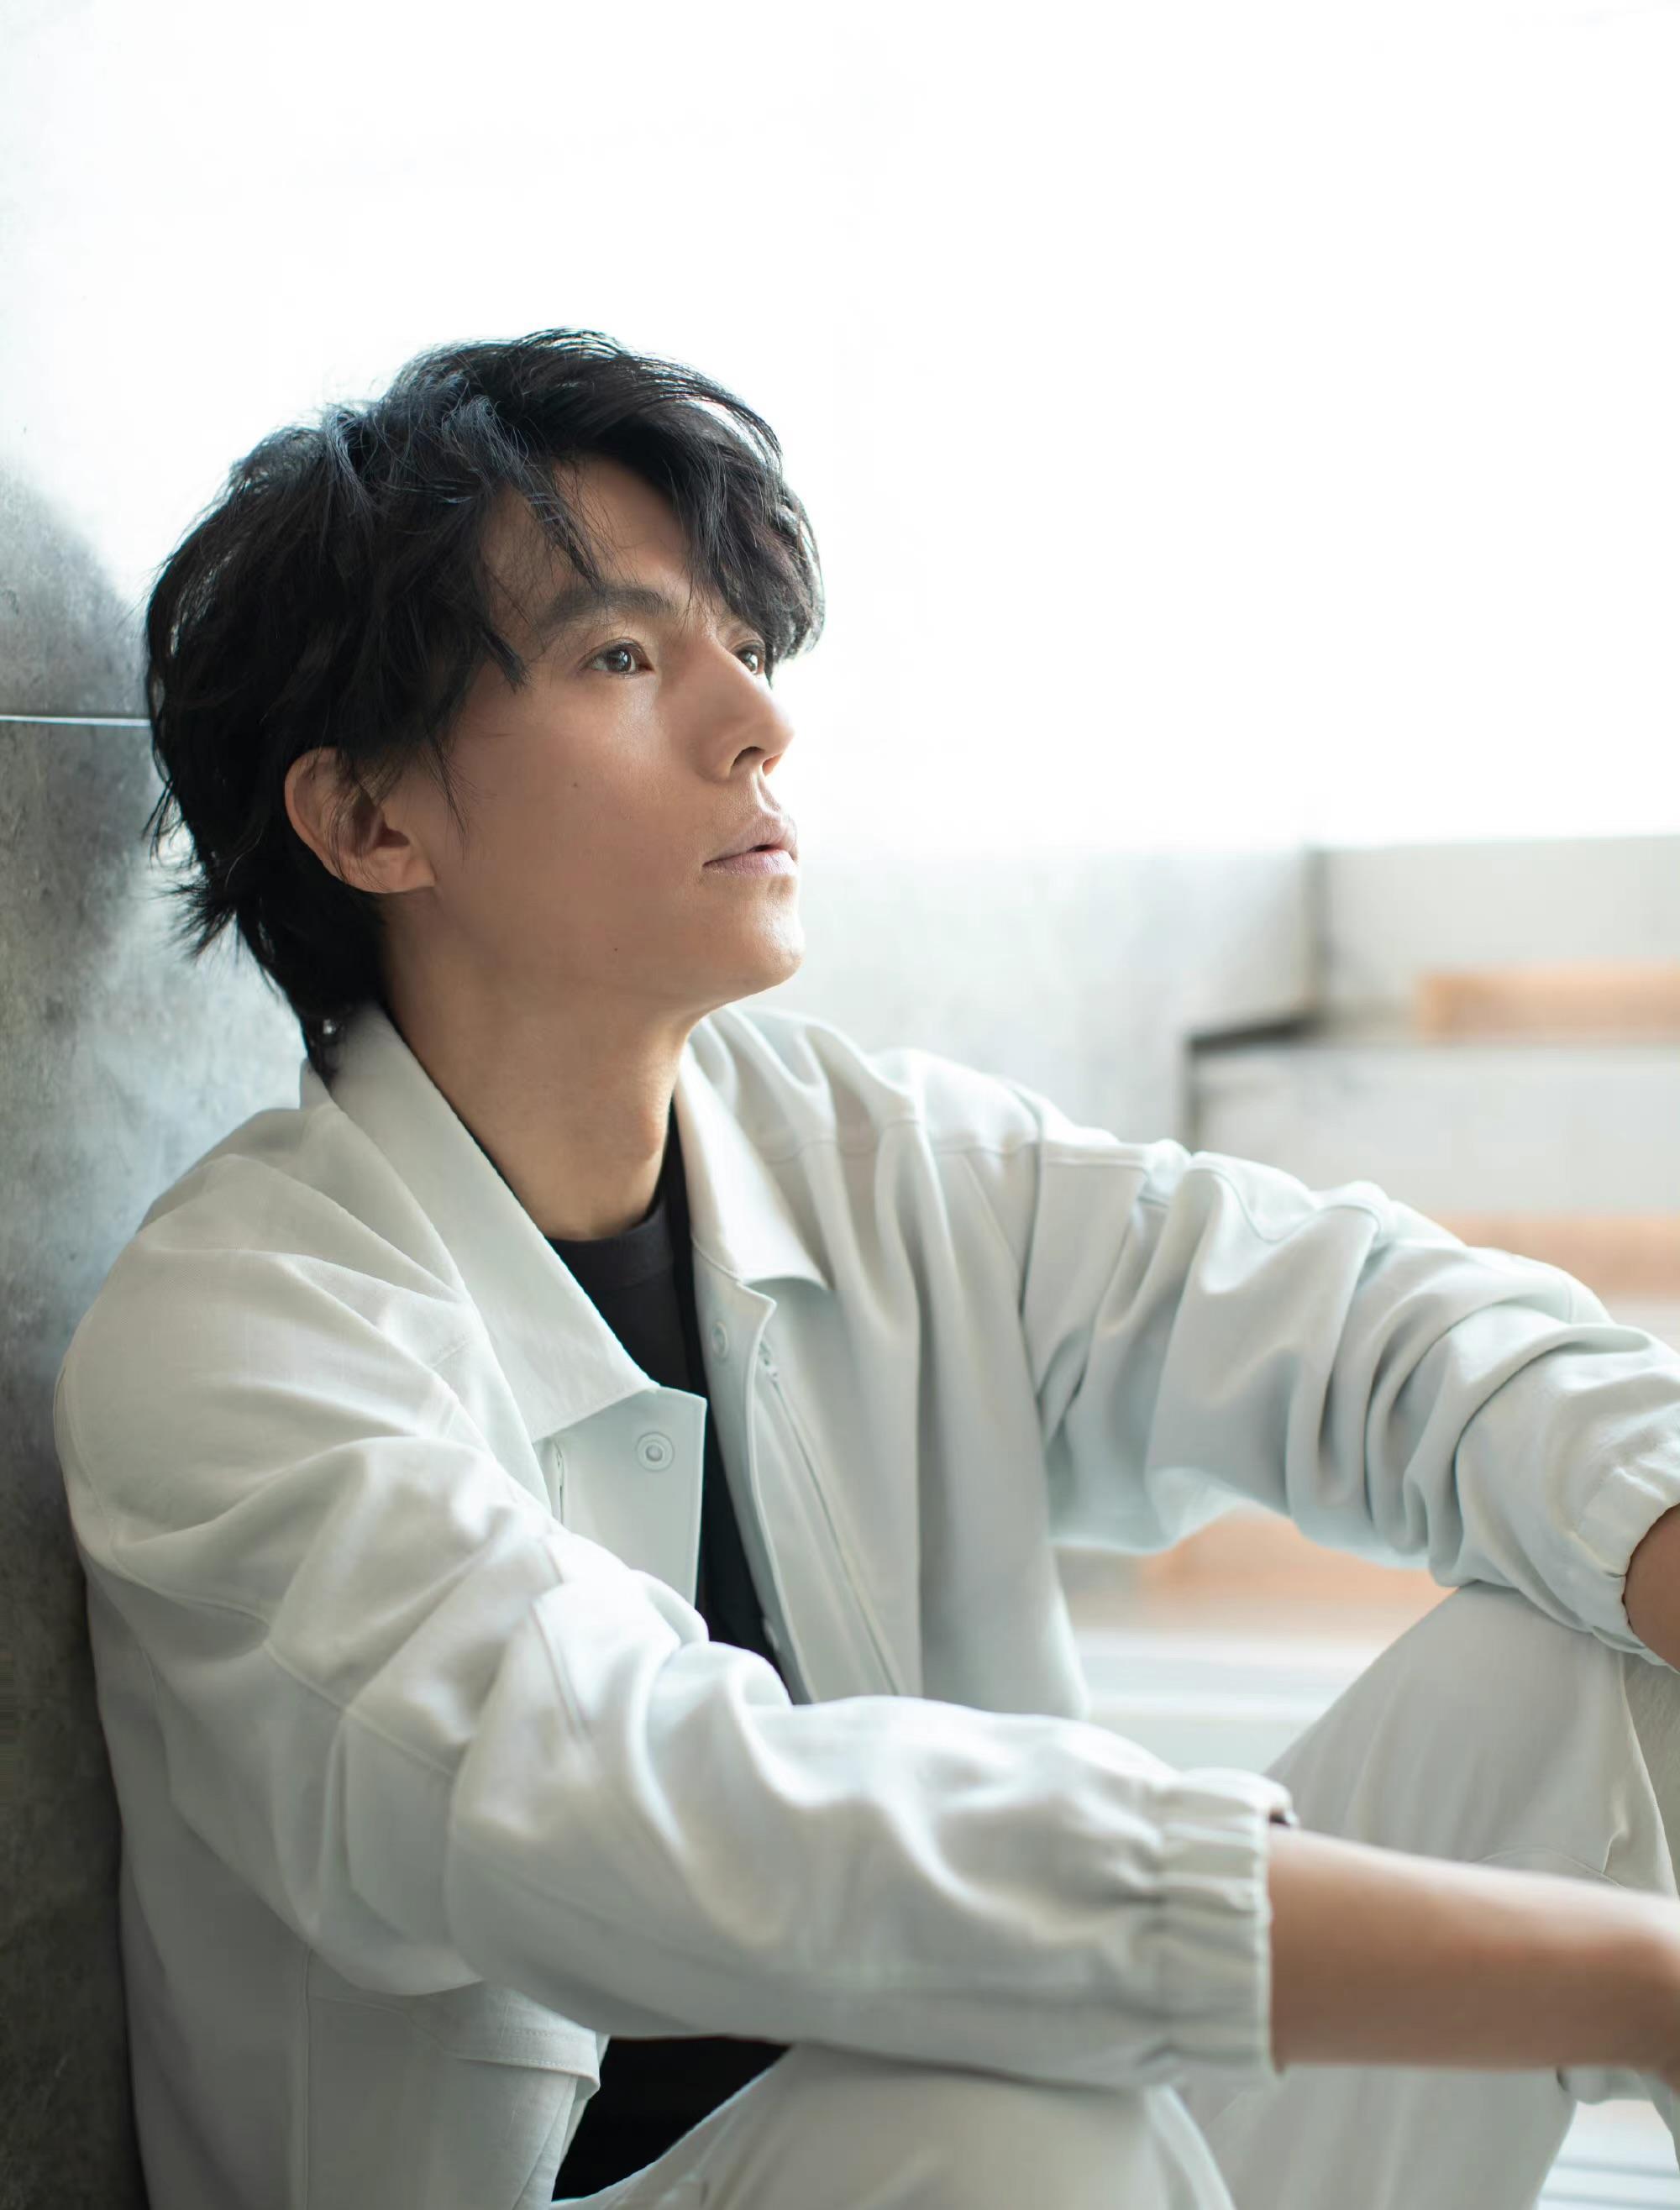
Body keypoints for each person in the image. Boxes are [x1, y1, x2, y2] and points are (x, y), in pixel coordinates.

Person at [53, 325, 1680, 2210]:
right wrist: (1631, 1980)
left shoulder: (867, 1159)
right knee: (1006, 2123)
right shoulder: (234, 1344)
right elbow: (656, 1808)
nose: (756, 720)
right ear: (368, 819)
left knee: (1599, 1656)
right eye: (622, 657)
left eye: (746, 643)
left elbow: (1381, 1333)